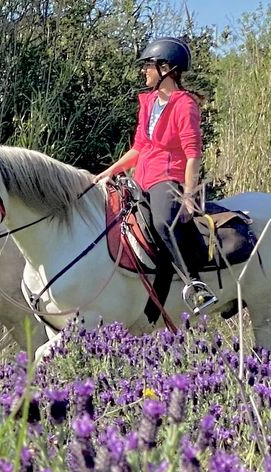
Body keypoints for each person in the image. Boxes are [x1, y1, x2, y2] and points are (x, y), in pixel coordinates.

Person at [95, 37, 216, 311]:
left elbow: (193, 153)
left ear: (166, 68)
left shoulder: (185, 104)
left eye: (148, 65)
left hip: (168, 177)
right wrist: (107, 172)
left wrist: (188, 195)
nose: (143, 71)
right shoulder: (148, 102)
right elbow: (139, 147)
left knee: (163, 223)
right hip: (142, 178)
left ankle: (195, 285)